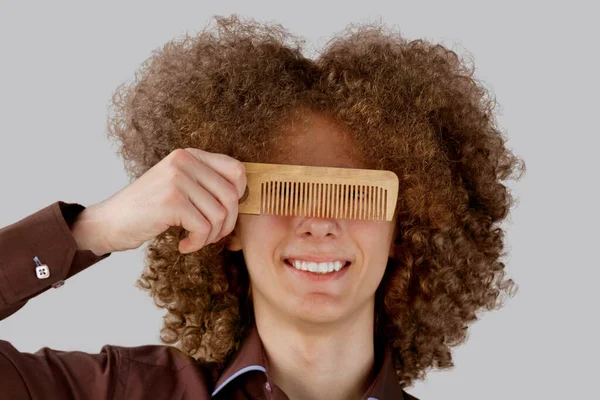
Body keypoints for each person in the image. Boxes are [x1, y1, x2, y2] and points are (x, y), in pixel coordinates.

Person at [0, 14, 525, 400]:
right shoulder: (123, 392)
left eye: (358, 194)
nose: (319, 222)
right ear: (225, 220)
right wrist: (98, 227)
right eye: (283, 191)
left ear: (401, 228)